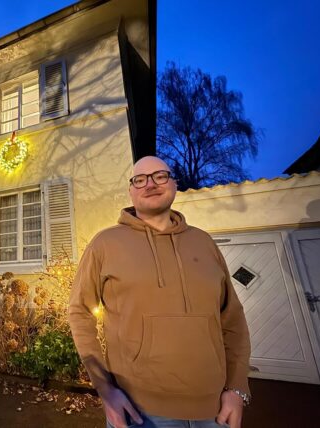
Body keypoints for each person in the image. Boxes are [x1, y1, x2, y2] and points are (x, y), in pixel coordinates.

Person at [69, 156, 251, 428]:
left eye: (160, 176)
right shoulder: (105, 244)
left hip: (214, 410)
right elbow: (79, 311)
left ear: (174, 183)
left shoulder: (203, 243)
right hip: (139, 411)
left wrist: (237, 388)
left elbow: (232, 319)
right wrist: (105, 389)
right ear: (131, 191)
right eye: (140, 179)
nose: (150, 184)